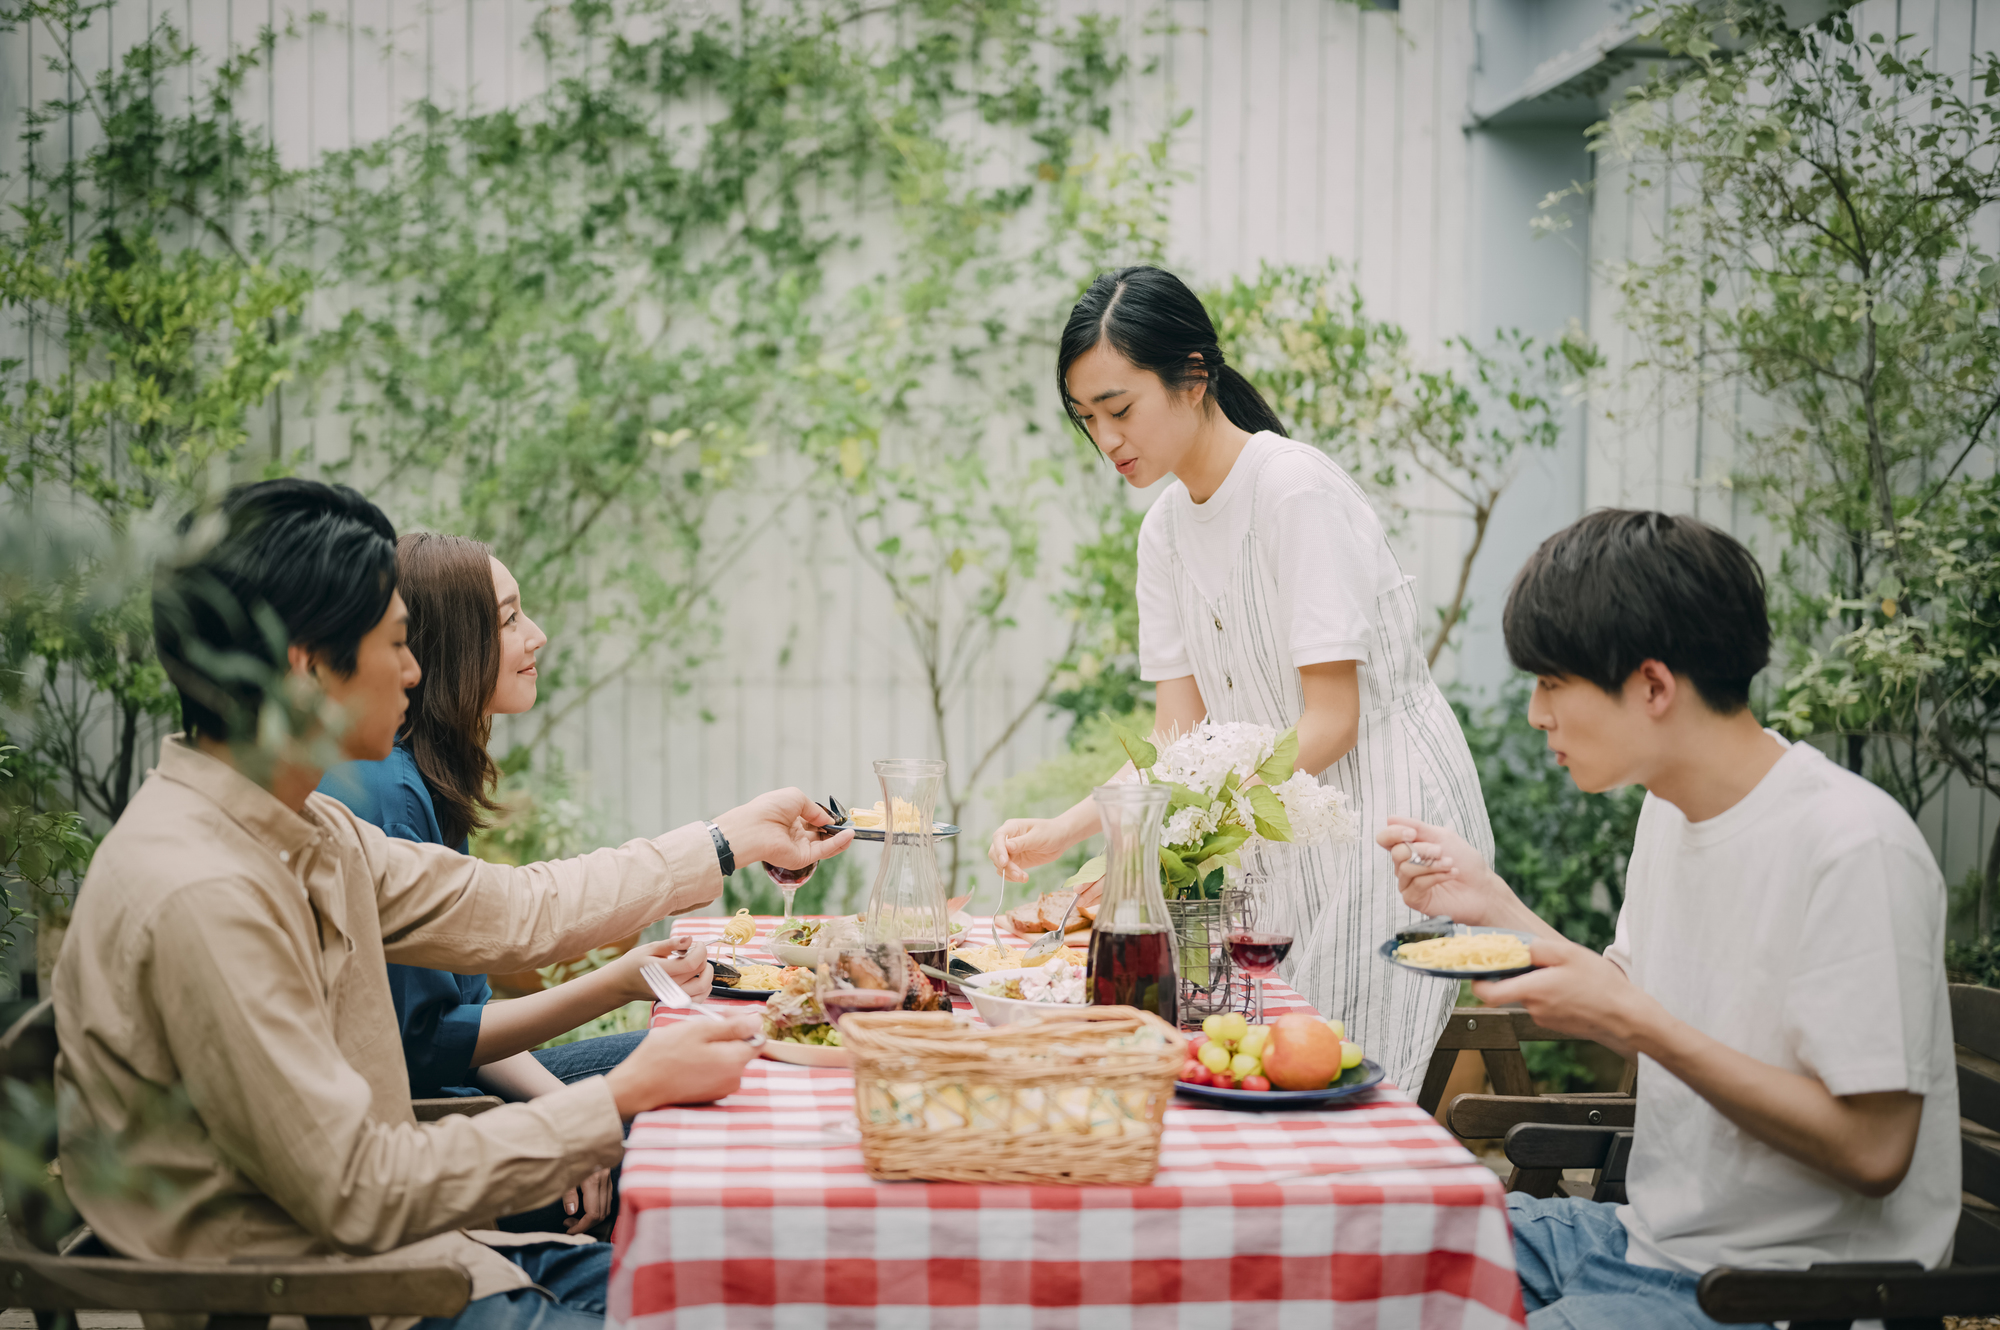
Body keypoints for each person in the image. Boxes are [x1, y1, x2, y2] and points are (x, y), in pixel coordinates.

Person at [54, 479, 852, 1330]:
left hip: (426, 1259)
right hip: (344, 1298)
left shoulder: (300, 824)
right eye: (396, 643)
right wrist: (610, 1104)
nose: (412, 669)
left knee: (761, 1289)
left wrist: (728, 839)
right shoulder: (203, 892)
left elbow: (513, 911)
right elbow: (358, 1190)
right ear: (308, 664)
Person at [1378, 509, 1957, 1330]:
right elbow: (1630, 997)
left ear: (1652, 685)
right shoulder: (1670, 811)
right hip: (1640, 1243)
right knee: (1368, 1240)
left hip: (1776, 1291)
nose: (1539, 715)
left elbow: (1873, 1151)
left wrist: (1637, 1018)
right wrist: (1490, 903)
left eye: (1551, 684)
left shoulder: (1852, 846)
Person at [988, 265, 1491, 1088]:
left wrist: (1194, 827)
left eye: (1119, 409)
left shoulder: (1293, 491)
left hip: (1386, 825)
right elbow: (1178, 740)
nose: (1108, 439)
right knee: (1256, 1068)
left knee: (1338, 1085)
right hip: (1275, 820)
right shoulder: (1165, 533)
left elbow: (1334, 721)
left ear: (1193, 376)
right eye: (1088, 419)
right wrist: (1065, 831)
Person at [318, 532, 696, 1238]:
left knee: (695, 1057)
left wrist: (565, 1110)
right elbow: (428, 1049)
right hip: (439, 1143)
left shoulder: (423, 777)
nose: (538, 636)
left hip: (462, 1099)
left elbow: (467, 1022)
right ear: (443, 644)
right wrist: (614, 990)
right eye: (510, 618)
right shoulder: (392, 793)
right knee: (688, 1119)